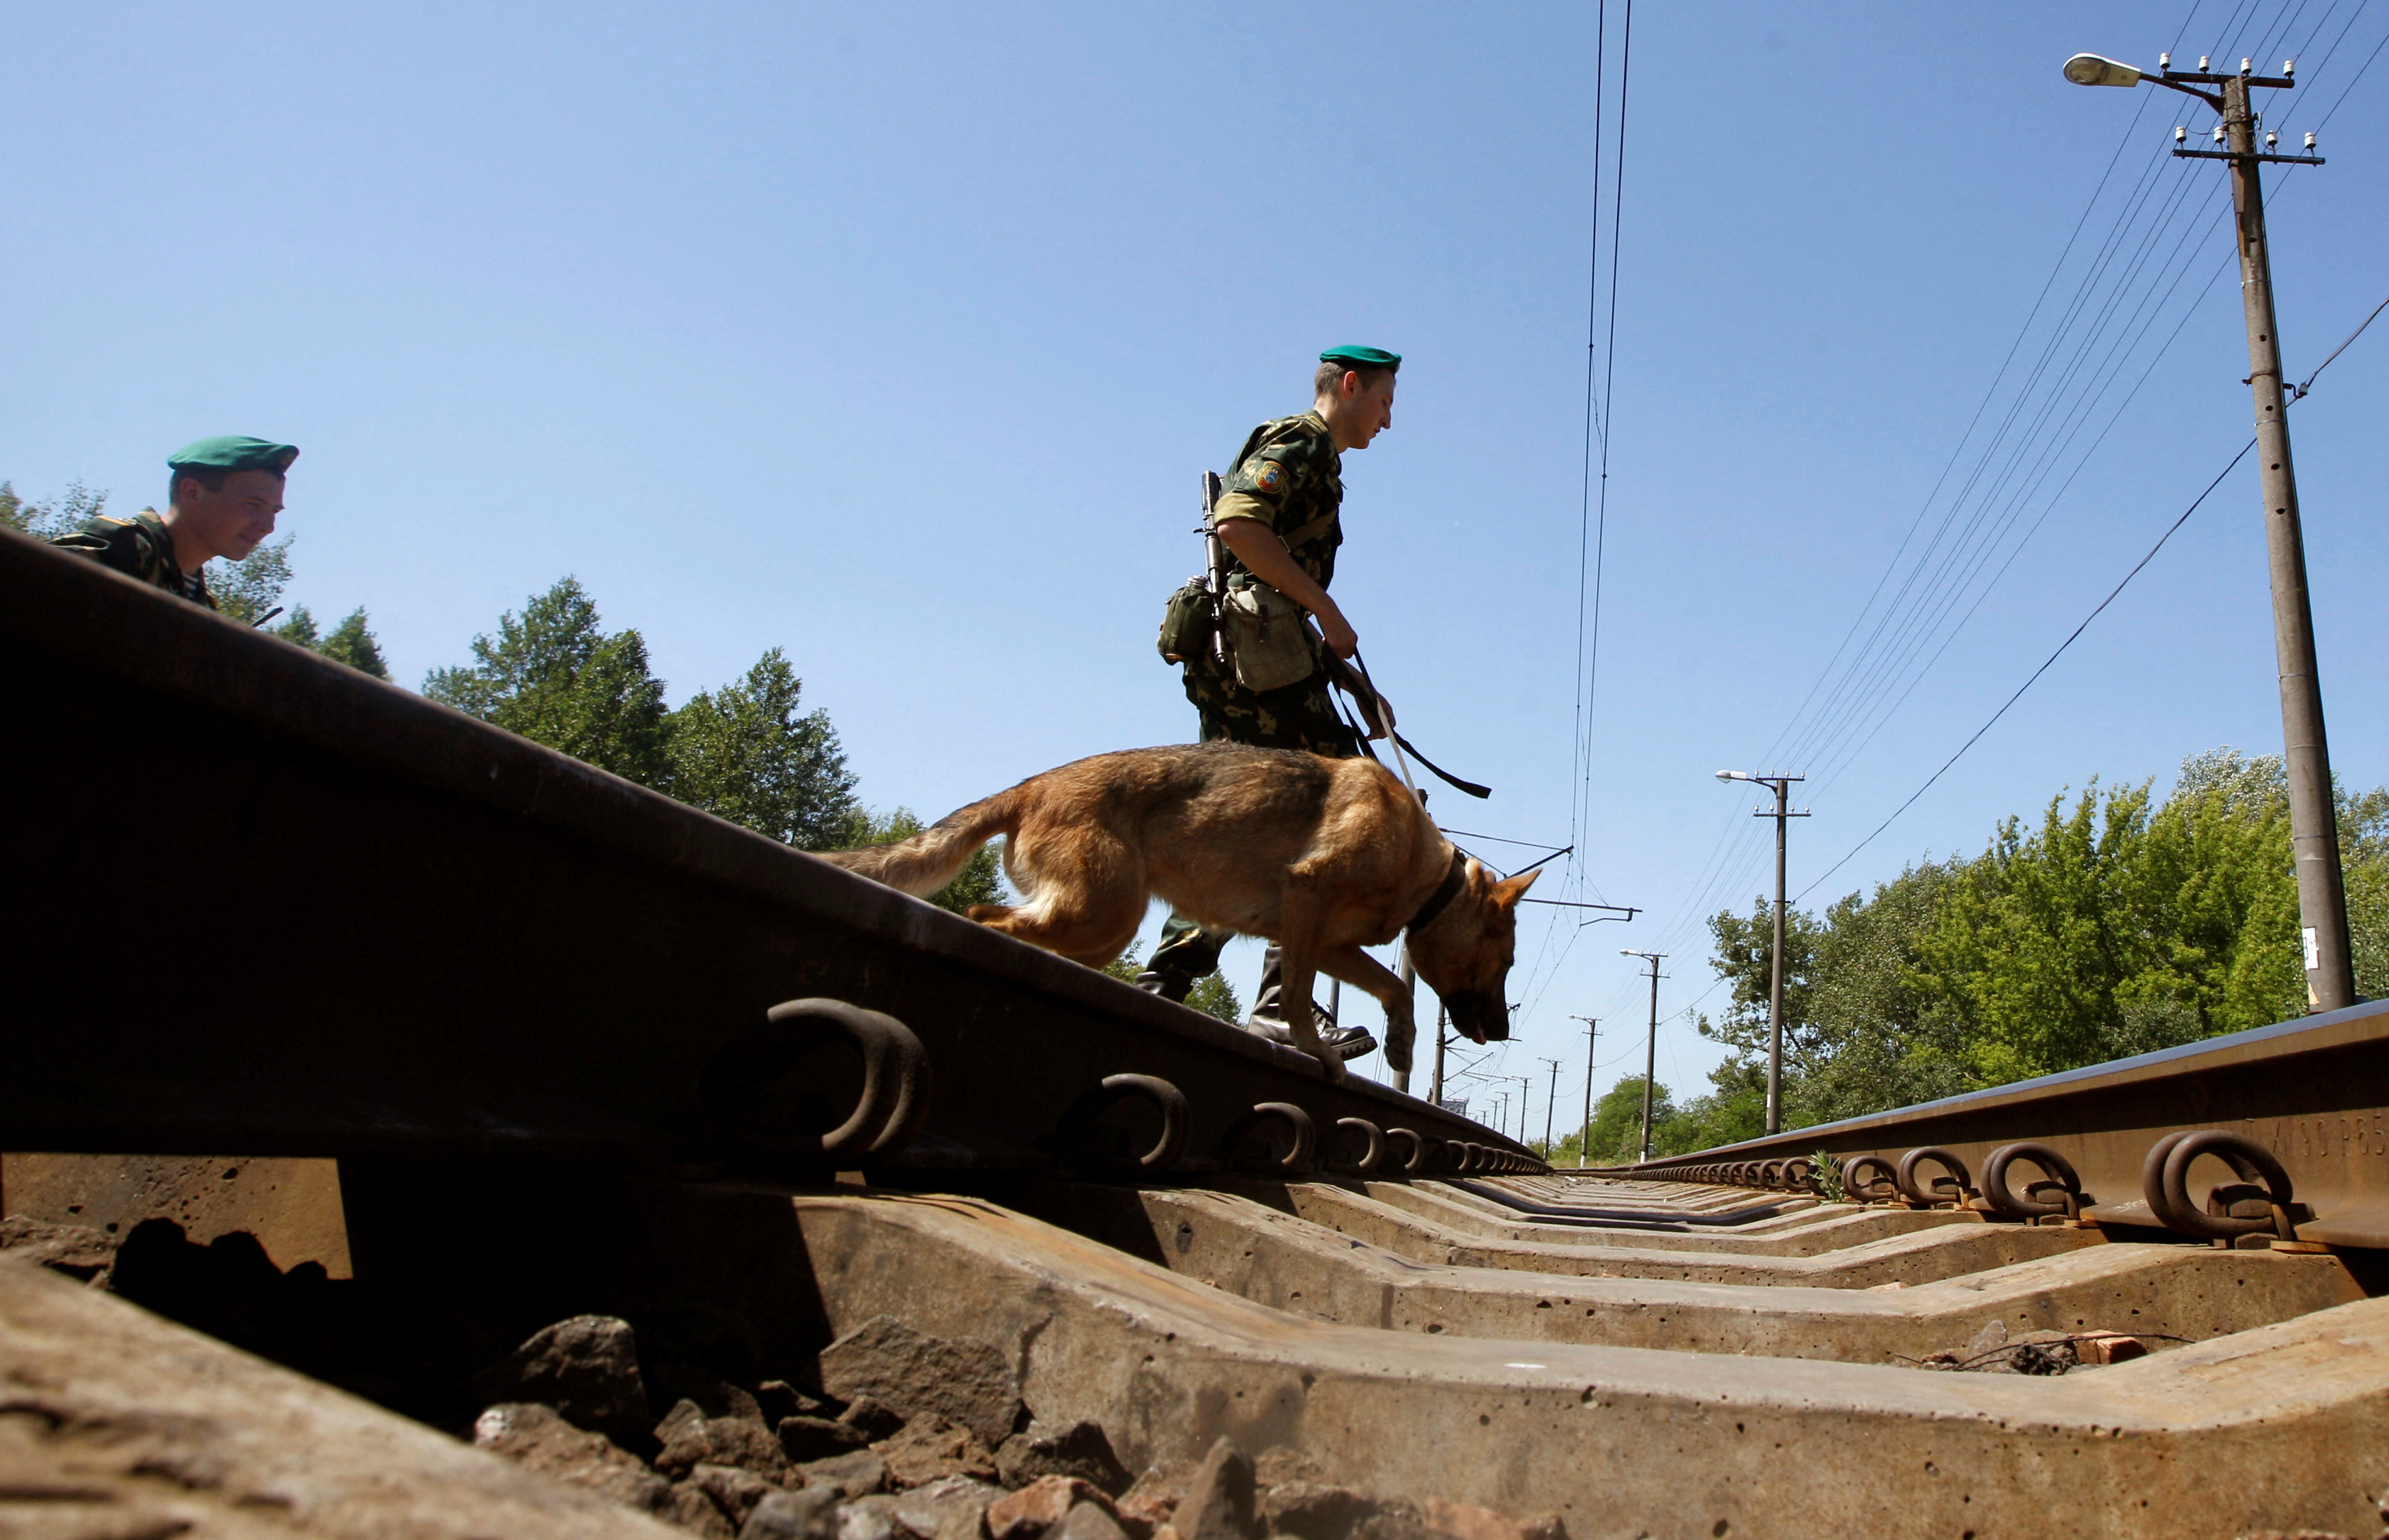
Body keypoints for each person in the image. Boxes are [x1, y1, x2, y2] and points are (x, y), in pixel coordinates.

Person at [1139, 346, 1401, 1058]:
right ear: (1349, 386)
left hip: (1256, 665)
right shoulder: (1301, 440)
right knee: (1346, 809)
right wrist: (1329, 607)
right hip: (1249, 669)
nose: (1386, 420)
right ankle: (1281, 1006)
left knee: (1239, 827)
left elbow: (1275, 591)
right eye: (1382, 402)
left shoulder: (1321, 459)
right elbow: (1239, 527)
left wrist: (1353, 685)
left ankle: (1163, 985)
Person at [50, 436, 298, 609]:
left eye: (274, 511)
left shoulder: (199, 601)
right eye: (252, 505)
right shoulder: (120, 549)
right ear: (192, 492)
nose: (268, 526)